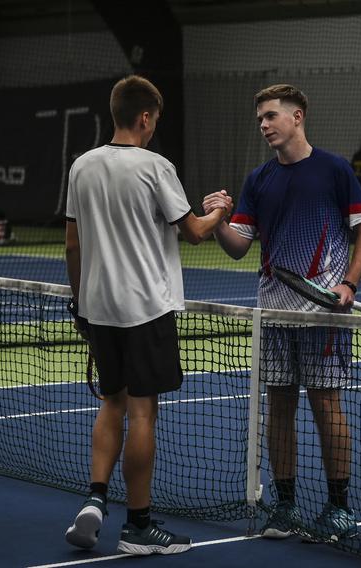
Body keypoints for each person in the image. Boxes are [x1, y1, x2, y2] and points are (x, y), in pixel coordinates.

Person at [63, 75, 232, 556]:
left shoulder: (81, 166)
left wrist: (81, 303)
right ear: (144, 118)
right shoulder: (157, 167)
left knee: (110, 403)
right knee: (142, 411)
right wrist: (219, 209)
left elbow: (73, 244)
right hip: (146, 309)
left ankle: (95, 500)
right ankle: (138, 525)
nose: (154, 127)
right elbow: (196, 232)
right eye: (154, 119)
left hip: (98, 309)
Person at [202, 84, 361, 542]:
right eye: (260, 118)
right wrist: (219, 220)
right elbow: (239, 248)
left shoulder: (335, 170)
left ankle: (338, 508)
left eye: (271, 116)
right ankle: (285, 507)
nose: (264, 124)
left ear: (297, 117)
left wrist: (348, 284)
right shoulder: (258, 179)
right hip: (274, 316)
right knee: (279, 406)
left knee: (325, 404)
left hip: (323, 317)